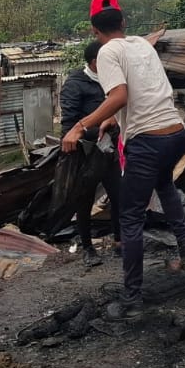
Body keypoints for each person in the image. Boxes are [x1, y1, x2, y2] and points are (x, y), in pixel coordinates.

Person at [61, 0, 185, 318]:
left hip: (148, 141)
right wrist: (112, 119)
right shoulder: (141, 44)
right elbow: (140, 90)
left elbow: (120, 95)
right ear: (124, 22)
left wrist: (79, 127)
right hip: (175, 133)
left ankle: (132, 298)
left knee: (131, 216)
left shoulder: (107, 52)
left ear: (94, 30)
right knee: (165, 187)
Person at [60, 41, 123, 267]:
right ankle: (88, 248)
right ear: (96, 62)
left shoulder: (112, 82)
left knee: (118, 195)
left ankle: (119, 242)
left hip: (109, 150)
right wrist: (95, 130)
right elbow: (69, 126)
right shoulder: (75, 85)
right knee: (84, 200)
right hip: (86, 153)